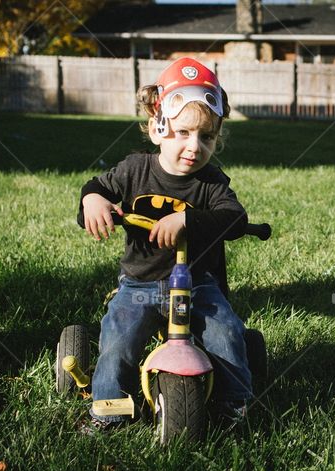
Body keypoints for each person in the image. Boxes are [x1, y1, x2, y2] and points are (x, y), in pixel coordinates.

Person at [76, 57, 251, 435]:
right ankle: (109, 410)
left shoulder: (210, 182)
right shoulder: (134, 170)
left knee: (226, 332)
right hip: (140, 282)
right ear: (158, 128)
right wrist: (93, 200)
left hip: (198, 284)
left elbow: (235, 218)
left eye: (206, 137)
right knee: (118, 337)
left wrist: (187, 219)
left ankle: (232, 405)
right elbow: (97, 187)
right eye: (183, 132)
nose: (194, 146)